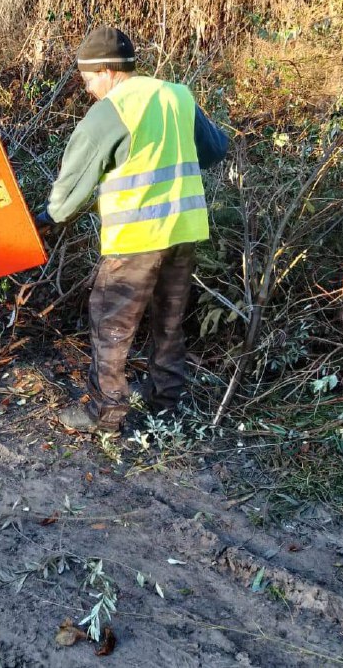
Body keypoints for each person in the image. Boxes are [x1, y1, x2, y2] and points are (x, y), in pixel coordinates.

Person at [36, 26, 229, 436]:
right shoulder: (177, 95)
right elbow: (215, 149)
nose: (88, 89)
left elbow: (71, 188)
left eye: (88, 79)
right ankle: (166, 404)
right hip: (183, 232)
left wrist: (48, 217)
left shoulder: (112, 110)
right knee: (169, 322)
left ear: (106, 71)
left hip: (137, 241)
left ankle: (106, 415)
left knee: (111, 326)